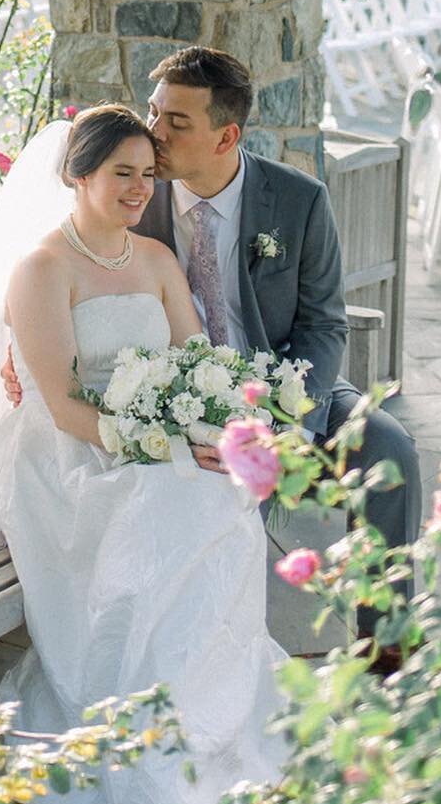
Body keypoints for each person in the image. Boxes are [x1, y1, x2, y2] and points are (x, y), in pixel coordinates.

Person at [0, 103, 287, 804]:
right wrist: (162, 443)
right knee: (172, 503)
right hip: (69, 457)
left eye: (147, 174)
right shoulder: (42, 270)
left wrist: (219, 427)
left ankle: (205, 713)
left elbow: (197, 364)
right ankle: (150, 725)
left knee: (223, 495)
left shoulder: (155, 259)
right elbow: (58, 406)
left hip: (152, 436)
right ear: (77, 173)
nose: (137, 187)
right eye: (122, 171)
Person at [140, 45, 421, 668]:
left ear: (226, 135)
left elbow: (324, 325)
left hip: (284, 390)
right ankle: (217, 660)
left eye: (176, 122)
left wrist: (285, 426)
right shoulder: (134, 198)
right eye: (154, 112)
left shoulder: (298, 200)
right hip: (173, 398)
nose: (154, 133)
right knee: (210, 495)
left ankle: (387, 649)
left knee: (390, 450)